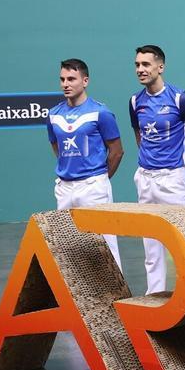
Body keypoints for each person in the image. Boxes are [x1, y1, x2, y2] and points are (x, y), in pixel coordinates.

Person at [129, 45, 185, 295]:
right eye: (137, 64)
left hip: (173, 179)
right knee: (151, 246)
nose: (140, 69)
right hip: (146, 179)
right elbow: (140, 138)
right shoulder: (135, 101)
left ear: (160, 67)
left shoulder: (181, 99)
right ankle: (154, 297)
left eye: (146, 64)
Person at [47, 58, 123, 267]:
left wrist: (99, 178)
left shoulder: (101, 112)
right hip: (64, 188)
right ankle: (77, 296)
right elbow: (57, 148)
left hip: (93, 187)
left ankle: (116, 295)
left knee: (105, 244)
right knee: (67, 245)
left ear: (85, 81)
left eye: (71, 79)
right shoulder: (53, 115)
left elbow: (116, 152)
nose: (65, 84)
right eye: (62, 79)